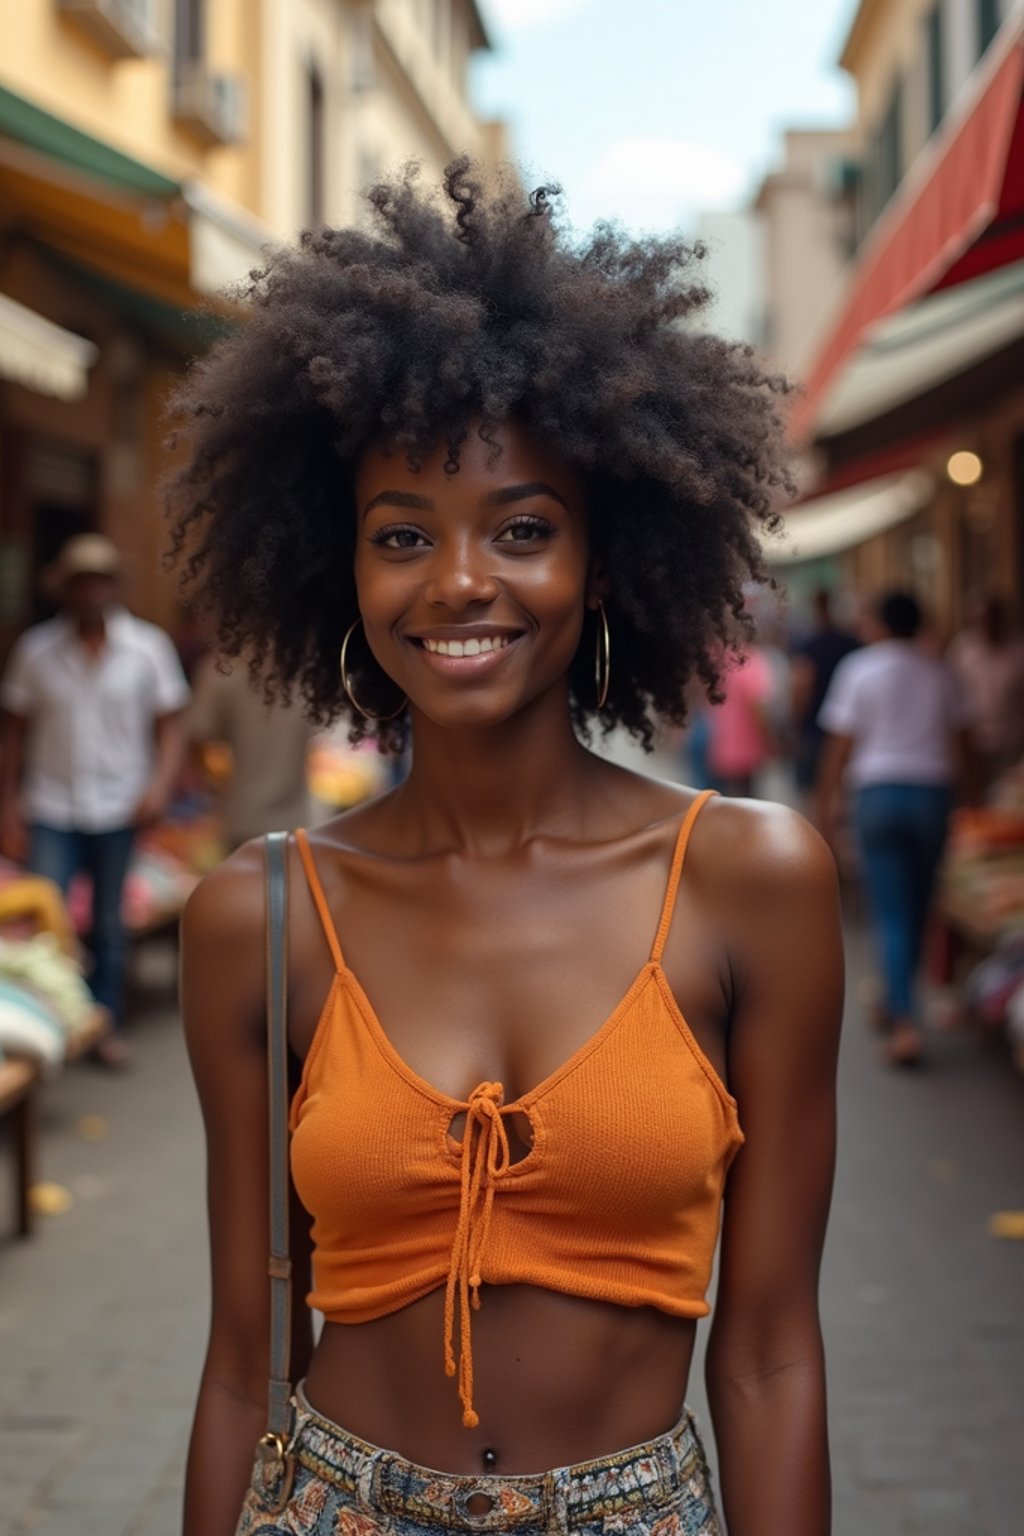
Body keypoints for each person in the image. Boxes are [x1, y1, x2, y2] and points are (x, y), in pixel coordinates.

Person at [170, 162, 843, 1536]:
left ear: (602, 564)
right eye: (401, 535)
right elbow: (244, 1364)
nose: (460, 581)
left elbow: (771, 1354)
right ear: (340, 575)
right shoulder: (264, 916)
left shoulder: (748, 883)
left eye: (521, 530)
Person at [0, 534, 190, 1066]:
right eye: (82, 581)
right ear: (67, 590)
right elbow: (12, 734)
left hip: (119, 805)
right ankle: (55, 1019)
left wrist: (159, 787)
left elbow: (171, 727)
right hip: (52, 806)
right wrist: (7, 807)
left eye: (101, 580)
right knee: (45, 921)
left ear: (113, 587)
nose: (92, 591)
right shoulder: (36, 651)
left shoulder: (148, 648)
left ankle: (102, 1023)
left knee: (108, 923)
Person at [816, 590, 970, 1066]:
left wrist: (827, 802)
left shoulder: (860, 668)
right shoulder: (939, 670)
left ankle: (902, 1019)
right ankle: (897, 1000)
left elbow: (841, 744)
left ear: (880, 623)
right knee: (917, 906)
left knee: (890, 908)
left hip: (878, 795)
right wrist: (971, 800)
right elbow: (962, 739)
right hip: (930, 794)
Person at [186, 652, 318, 848]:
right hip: (294, 821)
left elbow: (197, 740)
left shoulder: (222, 672)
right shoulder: (308, 674)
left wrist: (214, 786)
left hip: (240, 817)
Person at [947, 592, 1024, 790]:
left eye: (991, 619)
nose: (987, 625)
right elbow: (951, 697)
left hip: (1012, 743)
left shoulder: (1019, 650)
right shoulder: (962, 650)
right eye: (981, 620)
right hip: (973, 745)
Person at [789, 589, 859, 798]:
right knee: (841, 787)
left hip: (815, 725)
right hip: (848, 728)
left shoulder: (809, 644)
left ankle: (820, 830)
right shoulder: (851, 642)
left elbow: (802, 687)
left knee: (814, 789)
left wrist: (796, 723)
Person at [706, 643, 775, 798]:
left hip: (722, 746)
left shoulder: (721, 660)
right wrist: (768, 740)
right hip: (747, 750)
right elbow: (757, 706)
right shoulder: (752, 662)